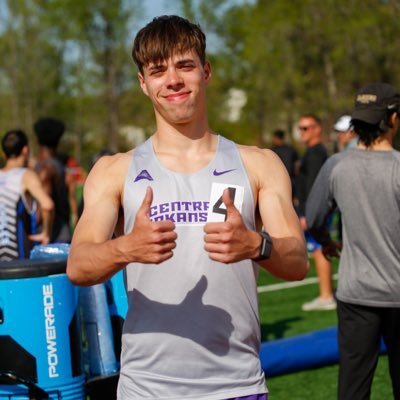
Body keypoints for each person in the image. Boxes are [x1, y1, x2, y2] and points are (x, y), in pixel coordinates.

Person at [67, 15, 308, 400]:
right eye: (158, 70)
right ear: (144, 84)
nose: (173, 80)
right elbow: (77, 266)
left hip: (237, 386)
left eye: (184, 65)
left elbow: (297, 263)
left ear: (206, 71)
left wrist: (256, 246)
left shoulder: (259, 163)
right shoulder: (114, 171)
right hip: (146, 389)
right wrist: (127, 247)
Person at [306, 82, 400, 400]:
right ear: (394, 119)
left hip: (355, 294)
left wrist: (325, 242)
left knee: (353, 388)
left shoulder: (336, 165)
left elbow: (314, 218)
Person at [296, 114, 335, 311]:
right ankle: (327, 293)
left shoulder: (315, 153)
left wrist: (305, 214)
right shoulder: (311, 152)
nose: (302, 132)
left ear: (317, 129)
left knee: (319, 250)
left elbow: (313, 186)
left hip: (314, 211)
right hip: (312, 209)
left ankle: (326, 295)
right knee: (318, 250)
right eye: (300, 128)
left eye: (306, 128)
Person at [0, 129, 54, 261]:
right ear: (25, 150)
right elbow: (47, 205)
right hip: (17, 255)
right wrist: (46, 233)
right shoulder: (25, 176)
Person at [33, 117, 71, 243]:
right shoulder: (58, 166)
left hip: (50, 236)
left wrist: (32, 225)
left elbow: (45, 202)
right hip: (63, 231)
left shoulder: (46, 169)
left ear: (37, 140)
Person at [270, 129, 299, 198]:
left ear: (275, 138)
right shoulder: (292, 149)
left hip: (277, 183)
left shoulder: (272, 151)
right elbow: (296, 167)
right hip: (291, 182)